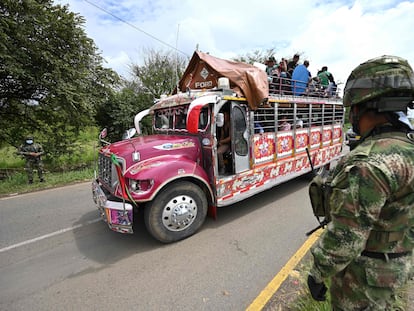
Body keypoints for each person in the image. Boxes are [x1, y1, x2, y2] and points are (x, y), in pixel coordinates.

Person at [307, 55, 414, 310]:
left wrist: (318, 273)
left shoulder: (368, 164)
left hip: (363, 280)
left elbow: (347, 238)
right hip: (395, 265)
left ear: (361, 107)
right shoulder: (407, 147)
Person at [217, 110, 231, 175]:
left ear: (228, 116)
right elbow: (222, 135)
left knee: (218, 152)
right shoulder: (223, 125)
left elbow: (230, 138)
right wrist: (219, 142)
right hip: (225, 143)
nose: (223, 117)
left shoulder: (230, 124)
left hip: (229, 143)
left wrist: (221, 141)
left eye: (224, 116)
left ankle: (223, 167)